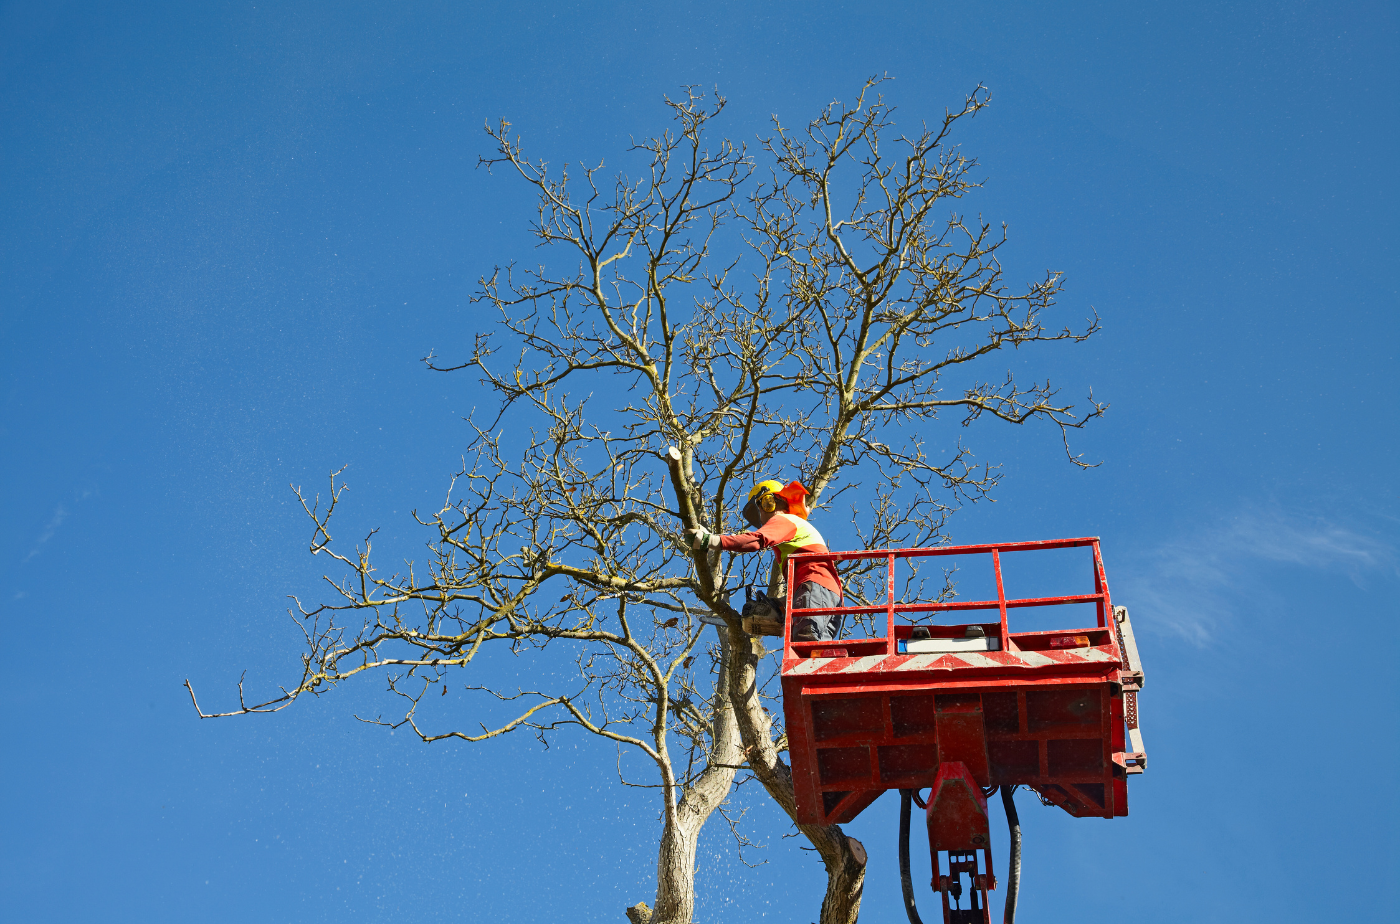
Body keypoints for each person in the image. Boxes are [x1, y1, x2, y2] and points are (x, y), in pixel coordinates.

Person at [684, 480, 845, 642]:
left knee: (805, 642)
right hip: (830, 596)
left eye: (760, 509)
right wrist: (776, 606)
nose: (760, 517)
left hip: (816, 589)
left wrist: (710, 540)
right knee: (816, 653)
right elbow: (808, 585)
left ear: (770, 503)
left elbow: (755, 541)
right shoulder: (794, 532)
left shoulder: (785, 520)